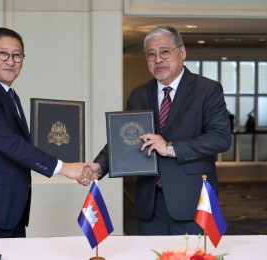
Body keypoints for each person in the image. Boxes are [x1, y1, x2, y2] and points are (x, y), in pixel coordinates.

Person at [81, 25, 231, 235]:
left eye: (164, 52)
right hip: (149, 204)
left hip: (193, 202)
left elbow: (221, 138)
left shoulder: (207, 90)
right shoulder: (139, 94)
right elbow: (124, 138)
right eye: (151, 55)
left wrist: (170, 148)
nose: (158, 59)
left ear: (182, 52)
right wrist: (99, 166)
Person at [0, 27, 90, 238]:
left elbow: (21, 145)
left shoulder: (7, 94)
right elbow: (11, 144)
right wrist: (66, 167)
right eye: (3, 53)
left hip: (6, 210)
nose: (10, 61)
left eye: (17, 55)